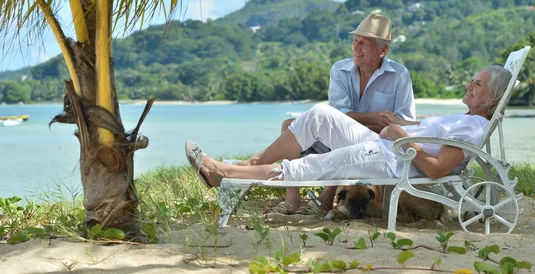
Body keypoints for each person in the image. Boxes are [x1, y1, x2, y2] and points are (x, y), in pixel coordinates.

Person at [185, 66, 512, 195]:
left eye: (478, 84)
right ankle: (244, 167)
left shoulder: (472, 125)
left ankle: (223, 172)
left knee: (311, 167)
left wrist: (403, 138)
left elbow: (439, 169)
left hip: (389, 159)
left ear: (491, 97)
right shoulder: (465, 117)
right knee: (320, 114)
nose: (470, 85)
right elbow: (429, 138)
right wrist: (403, 127)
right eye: (472, 80)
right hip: (387, 146)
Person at [238, 13, 415, 215]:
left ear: (383, 50)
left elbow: (404, 123)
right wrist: (373, 118)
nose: (356, 47)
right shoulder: (340, 69)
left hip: (376, 145)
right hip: (344, 134)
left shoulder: (399, 75)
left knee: (326, 126)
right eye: (355, 41)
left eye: (364, 43)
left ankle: (321, 195)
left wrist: (366, 124)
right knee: (289, 124)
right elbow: (338, 113)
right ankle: (292, 198)